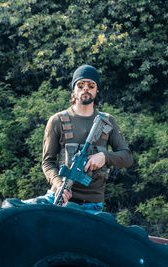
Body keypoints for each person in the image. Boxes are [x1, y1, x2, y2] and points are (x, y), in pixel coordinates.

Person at [37, 64, 133, 214]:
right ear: (74, 89)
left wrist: (104, 157)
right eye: (80, 85)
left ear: (97, 89)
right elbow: (47, 162)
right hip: (60, 197)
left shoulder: (107, 121)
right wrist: (58, 184)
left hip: (91, 205)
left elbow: (127, 157)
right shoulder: (57, 121)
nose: (85, 88)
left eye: (91, 85)